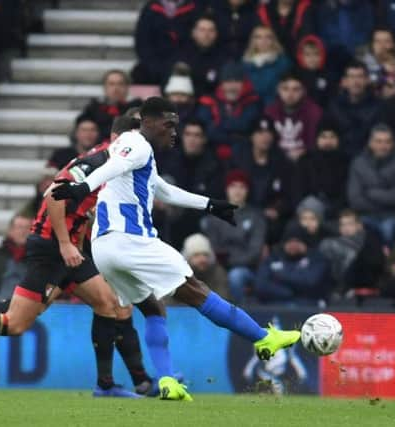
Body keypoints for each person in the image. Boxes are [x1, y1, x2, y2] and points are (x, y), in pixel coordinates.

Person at [51, 97, 301, 401]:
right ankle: (264, 338)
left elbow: (164, 190)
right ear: (148, 121)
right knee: (195, 289)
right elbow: (115, 165)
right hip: (130, 240)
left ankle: (167, 380)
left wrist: (209, 204)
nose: (173, 133)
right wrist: (81, 189)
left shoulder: (138, 154)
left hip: (105, 248)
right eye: (168, 125)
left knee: (153, 307)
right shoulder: (135, 141)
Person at [0, 116, 152, 399]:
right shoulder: (99, 161)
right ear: (122, 137)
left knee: (109, 304)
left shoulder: (115, 165)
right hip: (52, 248)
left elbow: (81, 207)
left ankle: (105, 385)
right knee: (15, 323)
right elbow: (53, 193)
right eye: (138, 139)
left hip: (72, 249)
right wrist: (64, 244)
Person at [201, 170, 265, 305]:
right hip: (217, 265)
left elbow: (255, 252)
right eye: (233, 186)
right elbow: (211, 245)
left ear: (247, 190)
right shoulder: (215, 216)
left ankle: (239, 313)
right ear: (227, 189)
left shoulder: (256, 217)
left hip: (247, 269)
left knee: (235, 276)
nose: (237, 191)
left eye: (242, 187)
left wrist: (230, 262)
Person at [158, 119, 224, 248]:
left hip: (198, 217)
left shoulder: (214, 166)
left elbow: (213, 200)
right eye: (188, 134)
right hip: (172, 216)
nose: (191, 140)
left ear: (204, 139)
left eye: (197, 135)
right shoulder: (171, 160)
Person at [230, 117, 293, 245]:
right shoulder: (238, 160)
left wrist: (278, 209)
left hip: (272, 217)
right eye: (260, 133)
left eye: (268, 133)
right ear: (252, 136)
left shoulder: (282, 162)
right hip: (244, 211)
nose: (265, 137)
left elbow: (290, 194)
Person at [347, 123, 395, 246]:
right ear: (370, 143)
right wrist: (385, 198)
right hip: (365, 216)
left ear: (392, 144)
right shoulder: (358, 163)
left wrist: (370, 193)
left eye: (387, 142)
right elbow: (354, 199)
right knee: (354, 229)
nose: (383, 146)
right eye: (378, 141)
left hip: (393, 216)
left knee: (388, 229)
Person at [254, 223, 332, 306]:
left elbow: (310, 283)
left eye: (297, 241)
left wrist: (279, 274)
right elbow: (261, 286)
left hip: (309, 305)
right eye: (289, 241)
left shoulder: (317, 259)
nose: (293, 244)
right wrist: (288, 293)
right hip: (276, 303)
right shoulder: (273, 258)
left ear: (305, 243)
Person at [197, 62, 261, 152]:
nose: (232, 86)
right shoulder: (209, 101)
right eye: (228, 81)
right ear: (221, 84)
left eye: (236, 81)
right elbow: (206, 131)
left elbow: (246, 125)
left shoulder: (251, 101)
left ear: (243, 84)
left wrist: (218, 123)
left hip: (244, 153)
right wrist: (236, 137)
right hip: (212, 152)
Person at [132, 0, 200, 85]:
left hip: (186, 63)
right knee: (140, 74)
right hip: (156, 63)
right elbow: (142, 42)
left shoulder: (194, 8)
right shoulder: (150, 9)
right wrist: (156, 66)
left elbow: (197, 42)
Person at [320, 209, 385, 297]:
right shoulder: (333, 244)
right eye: (343, 225)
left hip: (363, 286)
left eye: (350, 224)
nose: (346, 228)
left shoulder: (369, 242)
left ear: (359, 226)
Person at [327, 60, 383, 157]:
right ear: (344, 81)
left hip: (369, 160)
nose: (356, 81)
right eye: (352, 77)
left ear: (367, 80)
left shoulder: (379, 107)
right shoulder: (334, 107)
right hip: (339, 159)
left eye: (360, 77)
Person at [294, 120, 349, 218]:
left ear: (338, 139)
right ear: (317, 139)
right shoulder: (306, 160)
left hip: (338, 209)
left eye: (332, 137)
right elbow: (298, 191)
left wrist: (335, 208)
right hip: (310, 209)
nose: (328, 141)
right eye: (323, 137)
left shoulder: (345, 161)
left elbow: (346, 192)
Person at [265, 71, 322, 161]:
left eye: (296, 89)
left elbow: (314, 144)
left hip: (306, 162)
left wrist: (305, 152)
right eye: (285, 89)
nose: (290, 94)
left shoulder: (314, 112)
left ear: (303, 91)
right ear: (278, 90)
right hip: (276, 161)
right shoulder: (269, 112)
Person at [315, 0, 375, 76]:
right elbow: (322, 34)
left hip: (357, 57)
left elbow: (366, 33)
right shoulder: (326, 7)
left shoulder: (365, 7)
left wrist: (352, 50)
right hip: (331, 59)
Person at [79, 70, 141, 140]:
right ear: (105, 87)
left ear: (127, 87)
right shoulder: (93, 109)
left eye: (120, 84)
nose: (116, 88)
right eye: (111, 84)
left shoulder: (137, 107)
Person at [176, 15, 227, 97]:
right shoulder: (182, 56)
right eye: (202, 30)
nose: (206, 34)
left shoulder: (224, 58)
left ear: (216, 34)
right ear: (193, 33)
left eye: (211, 30)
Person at [241, 26, 291, 107]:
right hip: (250, 107)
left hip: (275, 107)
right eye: (259, 37)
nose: (263, 41)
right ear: (253, 41)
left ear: (273, 40)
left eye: (268, 37)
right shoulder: (245, 63)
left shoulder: (283, 62)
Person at [181, 233, 229, 301]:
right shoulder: (180, 276)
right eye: (196, 255)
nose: (202, 259)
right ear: (188, 258)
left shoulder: (218, 273)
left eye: (205, 255)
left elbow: (223, 299)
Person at [294, 34, 333, 108]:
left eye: (316, 54)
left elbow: (331, 101)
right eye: (307, 54)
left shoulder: (328, 76)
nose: (312, 58)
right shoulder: (295, 75)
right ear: (300, 56)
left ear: (322, 55)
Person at [163, 63, 196, 131]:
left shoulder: (193, 113)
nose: (178, 97)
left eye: (183, 94)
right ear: (168, 96)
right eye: (175, 94)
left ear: (189, 97)